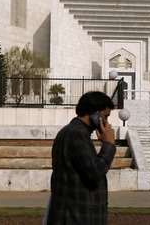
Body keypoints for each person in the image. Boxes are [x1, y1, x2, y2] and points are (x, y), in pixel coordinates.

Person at [45, 91, 116, 225]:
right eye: (105, 116)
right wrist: (109, 145)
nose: (107, 122)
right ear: (95, 114)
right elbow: (95, 173)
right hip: (78, 216)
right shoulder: (78, 134)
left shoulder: (70, 131)